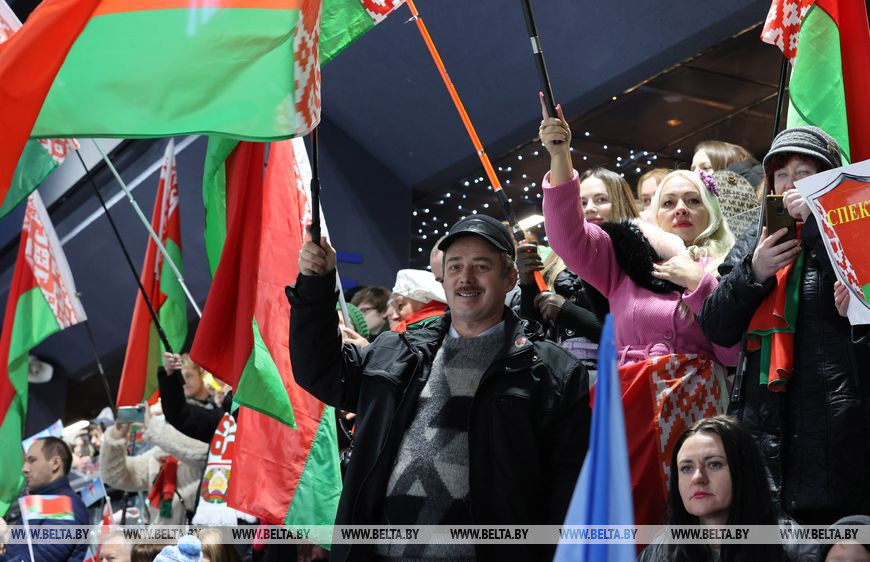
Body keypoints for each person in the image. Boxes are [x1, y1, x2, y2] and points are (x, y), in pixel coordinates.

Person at [288, 214, 591, 561]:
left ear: (509, 278)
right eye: (456, 265)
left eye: (481, 266)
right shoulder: (396, 351)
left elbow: (566, 490)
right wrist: (316, 284)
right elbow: (319, 370)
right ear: (442, 276)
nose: (466, 277)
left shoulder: (554, 372)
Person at [539, 96, 737, 526]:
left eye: (693, 201)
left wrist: (699, 284)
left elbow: (733, 351)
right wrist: (560, 157)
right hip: (630, 407)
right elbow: (568, 237)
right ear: (652, 214)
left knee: (695, 516)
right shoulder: (626, 256)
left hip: (699, 414)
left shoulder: (730, 265)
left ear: (711, 212)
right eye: (669, 202)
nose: (681, 208)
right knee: (631, 520)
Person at [698, 126, 870, 525]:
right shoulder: (754, 241)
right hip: (764, 426)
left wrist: (818, 224)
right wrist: (754, 271)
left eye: (804, 173)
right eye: (781, 174)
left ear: (826, 178)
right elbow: (716, 326)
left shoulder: (854, 233)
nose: (791, 185)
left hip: (839, 425)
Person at [639, 416, 786, 562]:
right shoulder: (658, 554)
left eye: (714, 464)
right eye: (686, 468)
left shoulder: (789, 545)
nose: (697, 477)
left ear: (744, 471)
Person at [100, 406, 208, 525]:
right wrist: (116, 438)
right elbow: (115, 477)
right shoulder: (157, 457)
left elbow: (201, 455)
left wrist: (153, 426)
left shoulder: (204, 449)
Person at [1, 437, 89, 562]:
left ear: (55, 463)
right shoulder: (45, 501)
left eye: (32, 460)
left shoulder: (64, 507)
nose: (25, 468)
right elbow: (21, 551)